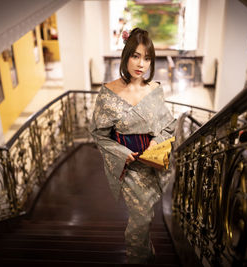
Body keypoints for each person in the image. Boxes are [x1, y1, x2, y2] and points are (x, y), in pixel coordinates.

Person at [89, 28, 176, 264]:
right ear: (125, 56)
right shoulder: (108, 93)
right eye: (136, 56)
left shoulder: (155, 90)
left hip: (152, 163)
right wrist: (122, 153)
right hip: (129, 168)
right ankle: (137, 257)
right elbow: (98, 133)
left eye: (147, 58)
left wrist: (156, 144)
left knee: (147, 217)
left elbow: (168, 126)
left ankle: (146, 250)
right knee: (141, 219)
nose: (141, 64)